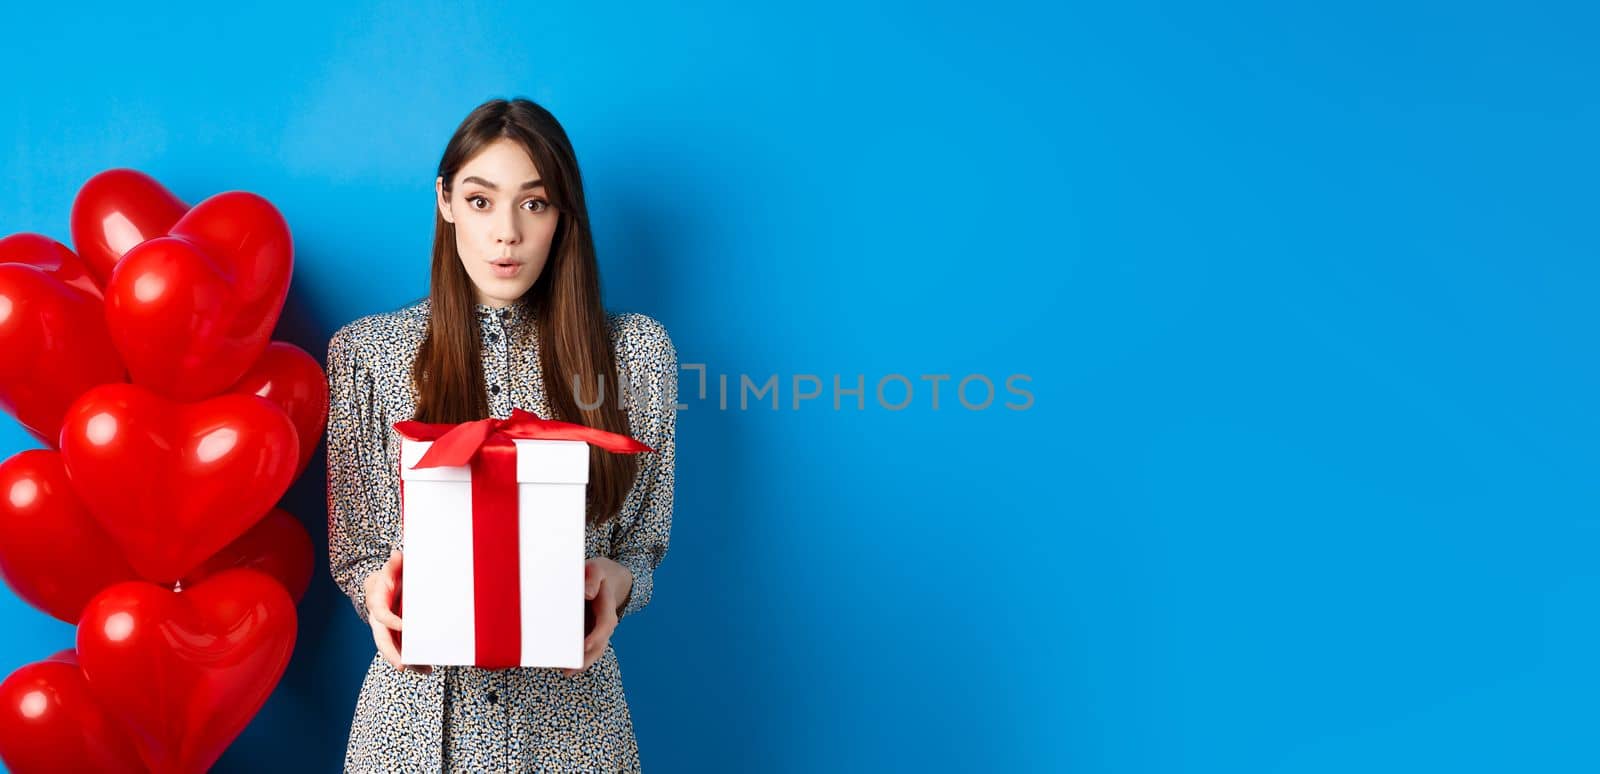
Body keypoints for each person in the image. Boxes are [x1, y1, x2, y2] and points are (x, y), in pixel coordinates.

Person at [324, 97, 677, 772]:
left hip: (573, 734)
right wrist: (376, 589)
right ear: (446, 201)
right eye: (481, 201)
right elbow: (358, 548)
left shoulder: (635, 356)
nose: (506, 233)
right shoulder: (366, 355)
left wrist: (617, 581)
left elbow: (642, 543)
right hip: (416, 736)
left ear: (563, 216)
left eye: (534, 204)